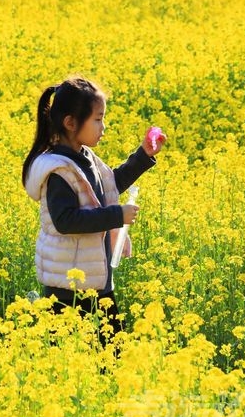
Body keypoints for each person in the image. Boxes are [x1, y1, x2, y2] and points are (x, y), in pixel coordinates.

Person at [22, 76, 165, 346]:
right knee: (68, 362)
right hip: (67, 292)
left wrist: (144, 155)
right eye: (98, 119)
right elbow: (65, 221)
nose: (103, 127)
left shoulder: (86, 157)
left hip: (97, 283)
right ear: (70, 123)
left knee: (112, 357)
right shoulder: (59, 170)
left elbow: (111, 185)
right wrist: (116, 216)